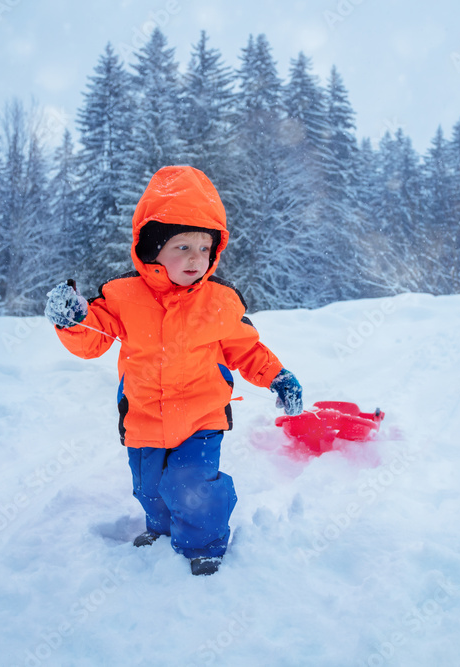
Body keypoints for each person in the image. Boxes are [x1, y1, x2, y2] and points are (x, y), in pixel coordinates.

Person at [44, 165, 303, 576]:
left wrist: (277, 376)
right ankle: (161, 529)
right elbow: (92, 339)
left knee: (193, 485)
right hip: (143, 418)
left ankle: (202, 544)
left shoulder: (220, 302)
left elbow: (246, 349)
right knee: (149, 488)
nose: (196, 259)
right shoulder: (122, 296)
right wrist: (71, 321)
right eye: (183, 247)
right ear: (151, 246)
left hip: (201, 418)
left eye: (205, 248)